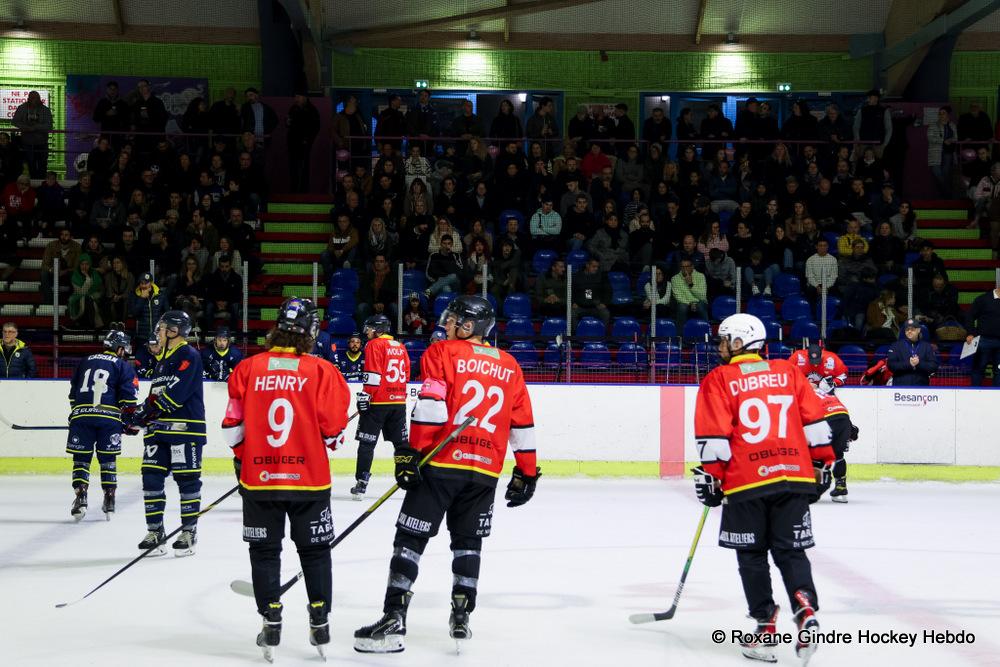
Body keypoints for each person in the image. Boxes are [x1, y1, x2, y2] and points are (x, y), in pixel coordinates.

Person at [354, 295, 538, 654]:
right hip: (484, 471)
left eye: (454, 319)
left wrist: (413, 453)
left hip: (442, 465)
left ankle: (394, 617)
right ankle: (461, 614)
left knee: (410, 538)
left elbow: (431, 407)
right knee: (468, 541)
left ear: (469, 326)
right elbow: (522, 425)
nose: (447, 323)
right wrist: (527, 473)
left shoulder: (442, 353)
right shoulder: (510, 365)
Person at [692, 313, 833, 664]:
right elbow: (816, 423)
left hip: (746, 480)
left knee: (752, 556)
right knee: (791, 552)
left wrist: (713, 477)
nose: (720, 345)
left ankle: (765, 626)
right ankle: (805, 610)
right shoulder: (788, 372)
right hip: (794, 477)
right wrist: (821, 464)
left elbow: (714, 437)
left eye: (725, 339)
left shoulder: (718, 379)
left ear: (739, 343)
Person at [223, 297, 350, 661]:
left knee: (264, 552)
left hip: (260, 481)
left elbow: (232, 429)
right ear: (310, 333)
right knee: (315, 552)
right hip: (309, 482)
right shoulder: (323, 371)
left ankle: (271, 620)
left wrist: (248, 459)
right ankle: (320, 619)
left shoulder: (247, 369)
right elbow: (334, 435)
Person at [125, 310, 205, 557]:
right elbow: (156, 396)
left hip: (184, 430)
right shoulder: (162, 360)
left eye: (161, 329)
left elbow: (176, 394)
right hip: (157, 431)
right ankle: (155, 531)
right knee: (150, 478)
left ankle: (188, 531)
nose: (157, 333)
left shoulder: (189, 355)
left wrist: (147, 410)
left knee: (187, 481)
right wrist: (136, 418)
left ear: (173, 331)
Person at [66, 328, 138, 520]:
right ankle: (110, 498)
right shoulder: (123, 366)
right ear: (119, 348)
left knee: (81, 459)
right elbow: (128, 399)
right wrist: (129, 422)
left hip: (82, 417)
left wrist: (78, 413)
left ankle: (81, 496)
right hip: (109, 420)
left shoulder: (85, 361)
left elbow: (74, 394)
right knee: (108, 460)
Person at [351, 314, 411, 499]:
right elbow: (407, 375)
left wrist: (366, 395)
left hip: (378, 403)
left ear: (377, 329)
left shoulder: (374, 345)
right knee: (401, 444)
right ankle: (408, 477)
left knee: (367, 443)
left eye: (369, 328)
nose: (367, 332)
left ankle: (362, 482)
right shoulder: (401, 346)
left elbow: (373, 374)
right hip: (398, 402)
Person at [789, 344, 855, 502]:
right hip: (843, 416)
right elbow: (840, 411)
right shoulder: (826, 390)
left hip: (826, 419)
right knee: (839, 455)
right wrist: (851, 430)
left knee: (815, 454)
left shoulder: (801, 394)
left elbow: (804, 418)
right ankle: (841, 489)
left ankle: (814, 488)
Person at [12, 91, 53, 178]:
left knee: (42, 166)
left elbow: (49, 126)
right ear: (28, 99)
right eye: (33, 98)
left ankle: (41, 184)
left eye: (36, 98)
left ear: (39, 99)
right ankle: (33, 184)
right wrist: (25, 127)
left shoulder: (45, 110)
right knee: (31, 165)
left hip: (42, 143)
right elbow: (15, 121)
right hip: (27, 143)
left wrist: (36, 127)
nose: (35, 100)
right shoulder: (22, 108)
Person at [965, 286, 1000, 386]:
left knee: (999, 370)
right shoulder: (983, 299)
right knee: (978, 369)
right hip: (984, 341)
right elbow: (970, 316)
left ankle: (997, 398)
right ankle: (974, 396)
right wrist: (970, 333)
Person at [887, 318, 938, 386]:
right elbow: (891, 365)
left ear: (918, 330)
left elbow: (934, 366)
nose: (909, 331)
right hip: (900, 387)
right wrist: (909, 364)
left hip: (921, 387)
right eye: (907, 329)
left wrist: (919, 363)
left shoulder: (927, 346)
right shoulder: (896, 346)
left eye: (913, 329)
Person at [287, 93, 321, 193]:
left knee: (303, 167)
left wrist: (308, 139)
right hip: (293, 142)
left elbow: (316, 127)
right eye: (295, 96)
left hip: (304, 143)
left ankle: (303, 190)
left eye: (298, 96)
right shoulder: (293, 108)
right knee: (293, 167)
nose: (296, 98)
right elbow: (289, 123)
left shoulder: (311, 110)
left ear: (305, 97)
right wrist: (288, 122)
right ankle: (294, 189)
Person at [669, 258, 708, 328]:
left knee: (700, 306)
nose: (684, 269)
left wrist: (690, 284)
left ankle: (706, 331)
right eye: (682, 267)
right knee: (682, 307)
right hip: (685, 303)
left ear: (692, 267)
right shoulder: (675, 278)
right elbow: (678, 297)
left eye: (687, 266)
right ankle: (680, 335)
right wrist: (690, 303)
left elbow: (702, 296)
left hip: (699, 302)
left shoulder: (700, 276)